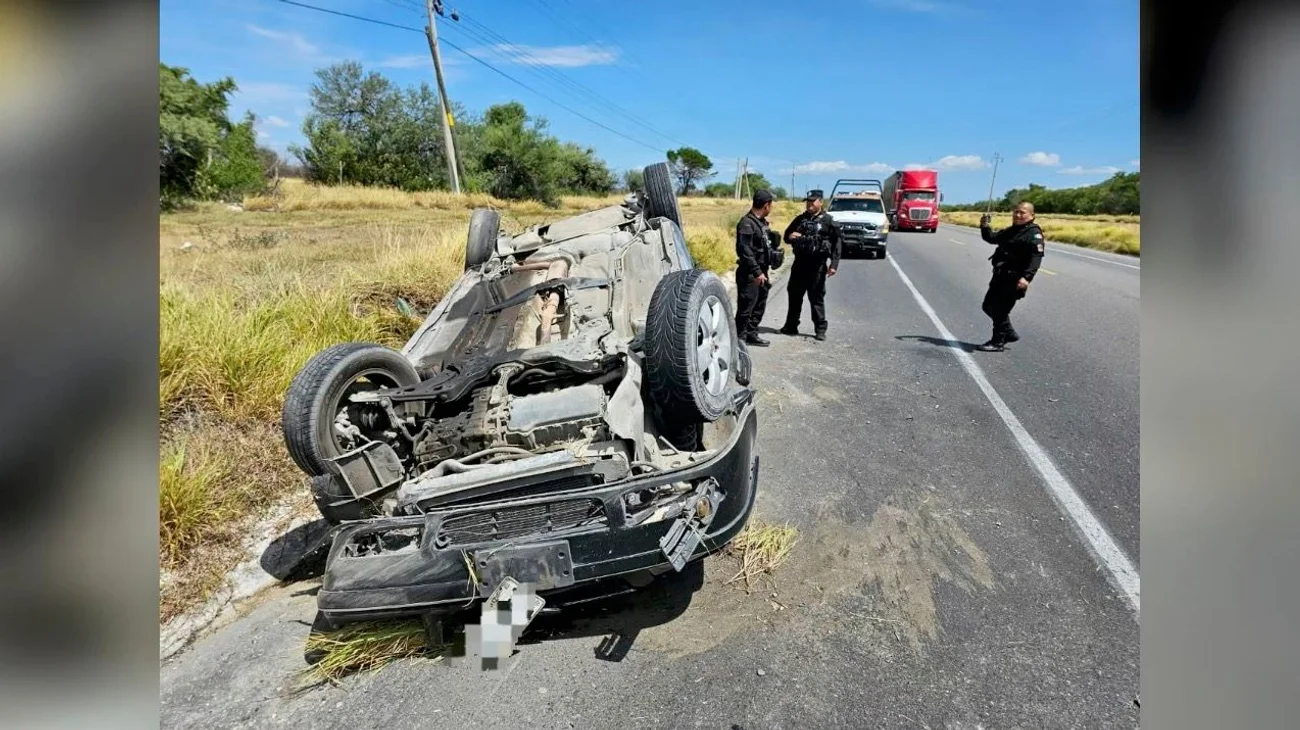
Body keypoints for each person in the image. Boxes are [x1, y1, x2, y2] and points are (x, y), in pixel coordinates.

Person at [976, 201, 1045, 351]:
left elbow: (1036, 258)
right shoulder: (1012, 230)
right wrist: (985, 226)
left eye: (1022, 212)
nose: (1018, 215)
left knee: (1000, 310)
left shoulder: (1033, 233)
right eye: (1016, 212)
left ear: (1032, 215)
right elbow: (992, 238)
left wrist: (1026, 278)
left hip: (1014, 279)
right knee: (988, 306)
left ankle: (997, 342)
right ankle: (1009, 333)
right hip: (999, 276)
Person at [780, 189, 840, 341]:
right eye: (808, 202)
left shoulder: (828, 221)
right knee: (794, 295)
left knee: (816, 298)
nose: (809, 204)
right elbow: (786, 236)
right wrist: (790, 236)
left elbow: (837, 244)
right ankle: (791, 325)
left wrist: (834, 264)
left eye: (813, 202)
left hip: (817, 266)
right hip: (799, 264)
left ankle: (820, 329)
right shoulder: (800, 219)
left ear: (821, 202)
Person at [734, 189, 778, 346]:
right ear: (766, 205)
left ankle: (752, 333)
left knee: (759, 304)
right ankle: (739, 338)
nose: (771, 208)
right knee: (746, 307)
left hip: (762, 271)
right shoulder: (747, 223)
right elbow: (744, 250)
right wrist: (757, 271)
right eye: (771, 205)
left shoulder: (761, 223)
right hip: (750, 273)